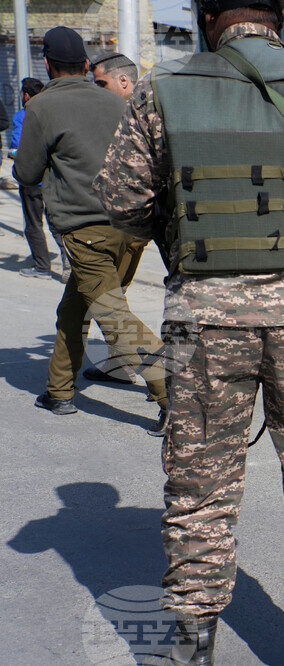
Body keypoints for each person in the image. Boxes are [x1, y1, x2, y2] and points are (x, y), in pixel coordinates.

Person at [94, 0, 284, 661]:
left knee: (199, 482)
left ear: (208, 18)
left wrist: (186, 246)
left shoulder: (160, 89)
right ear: (281, 14)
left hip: (203, 318)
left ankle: (193, 643)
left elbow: (120, 203)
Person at [13, 27, 168, 434]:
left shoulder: (42, 108)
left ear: (47, 65)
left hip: (86, 231)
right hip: (132, 227)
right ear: (85, 64)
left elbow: (26, 172)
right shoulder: (115, 100)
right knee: (76, 306)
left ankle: (174, 394)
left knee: (114, 315)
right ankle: (59, 390)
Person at [82, 51, 153, 385]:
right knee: (113, 295)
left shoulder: (135, 112)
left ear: (124, 81)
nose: (97, 90)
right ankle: (119, 362)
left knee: (107, 300)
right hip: (137, 221)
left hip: (130, 222)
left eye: (102, 83)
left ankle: (165, 374)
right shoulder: (141, 107)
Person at [11, 77, 69, 281]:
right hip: (53, 177)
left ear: (26, 95)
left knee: (34, 223)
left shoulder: (23, 115)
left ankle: (42, 266)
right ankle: (69, 263)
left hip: (31, 178)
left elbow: (18, 146)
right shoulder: (53, 112)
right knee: (58, 223)